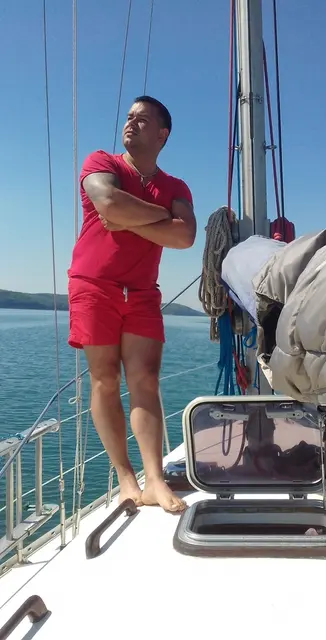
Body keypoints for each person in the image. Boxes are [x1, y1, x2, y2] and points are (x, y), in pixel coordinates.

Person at [67, 95, 196, 512]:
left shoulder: (176, 187)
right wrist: (160, 217)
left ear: (162, 134)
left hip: (141, 293)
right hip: (93, 286)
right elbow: (107, 203)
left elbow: (185, 236)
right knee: (104, 380)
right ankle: (126, 478)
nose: (131, 122)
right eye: (129, 117)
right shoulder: (101, 162)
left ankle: (154, 480)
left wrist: (130, 218)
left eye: (142, 119)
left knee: (146, 381)